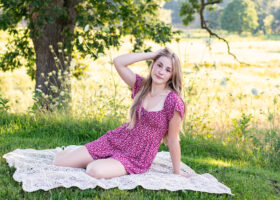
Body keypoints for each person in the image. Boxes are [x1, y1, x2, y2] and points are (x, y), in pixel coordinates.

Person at [53, 47, 193, 179]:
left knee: (93, 170)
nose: (161, 71)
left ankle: (103, 161)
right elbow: (118, 62)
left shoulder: (173, 101)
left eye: (168, 70)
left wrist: (177, 171)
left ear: (172, 75)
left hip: (136, 155)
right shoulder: (141, 86)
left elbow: (173, 139)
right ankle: (87, 155)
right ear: (153, 64)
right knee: (59, 162)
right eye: (159, 65)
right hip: (118, 139)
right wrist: (151, 55)